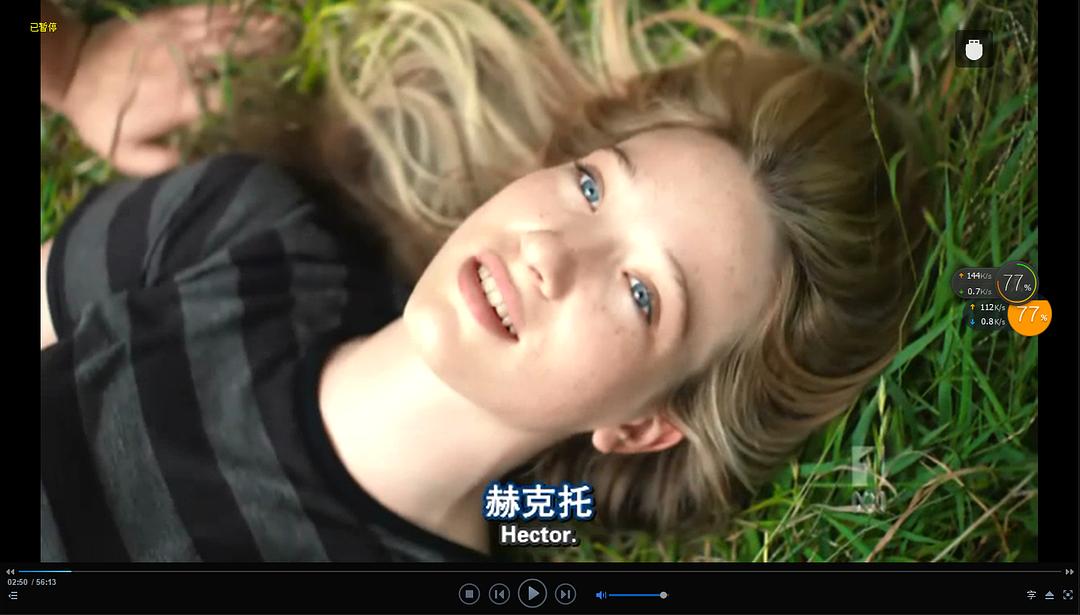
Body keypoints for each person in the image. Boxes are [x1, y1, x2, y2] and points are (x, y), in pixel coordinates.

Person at [40, 0, 935, 562]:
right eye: (593, 187)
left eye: (642, 293)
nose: (550, 250)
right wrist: (64, 57)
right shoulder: (242, 227)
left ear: (640, 426)